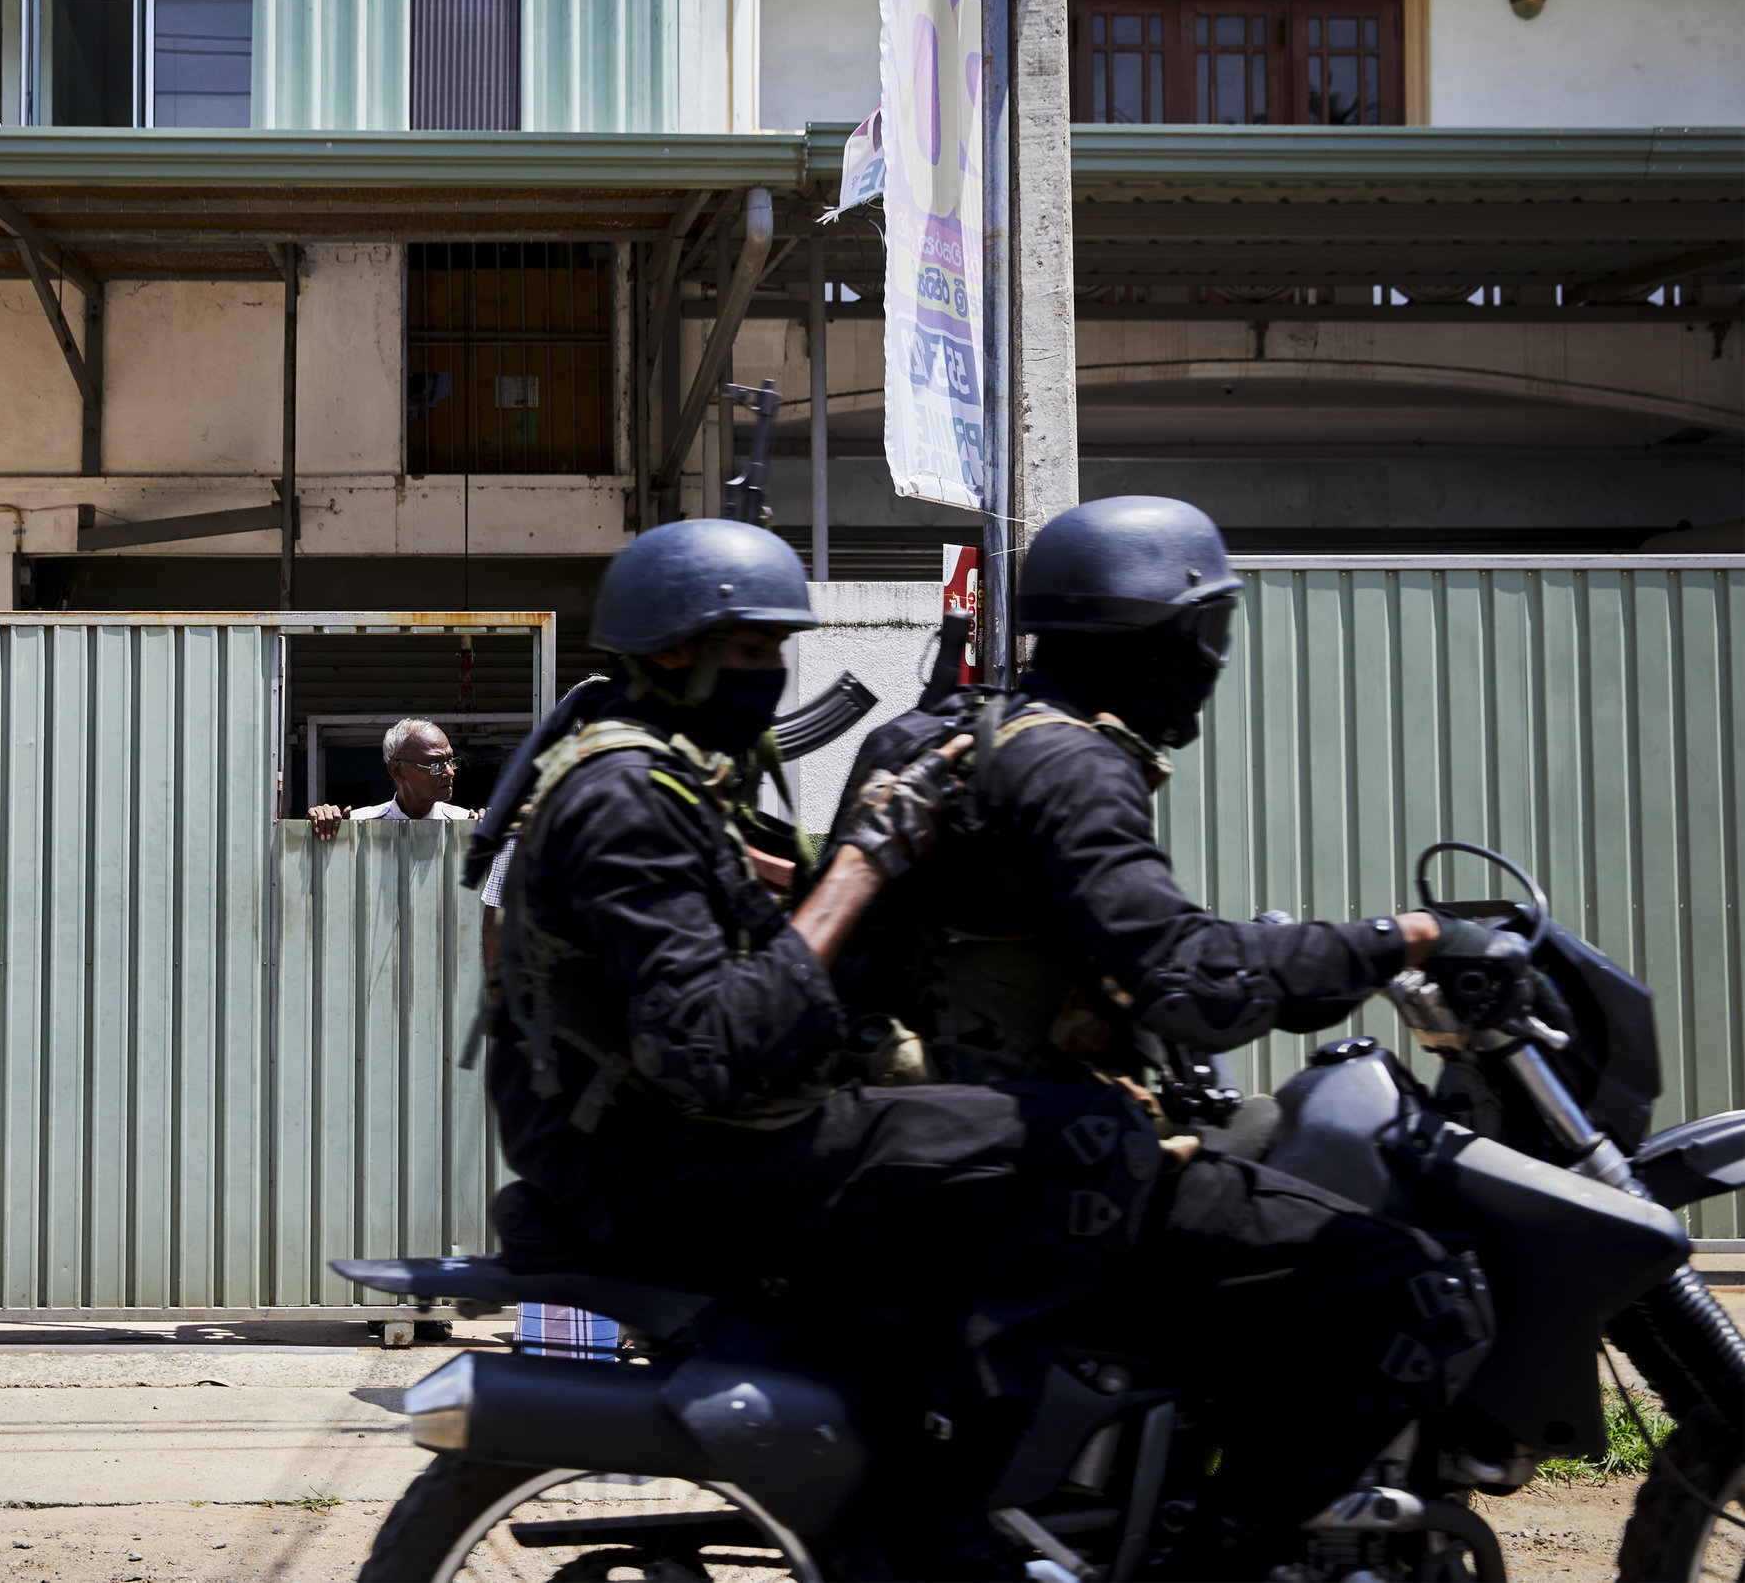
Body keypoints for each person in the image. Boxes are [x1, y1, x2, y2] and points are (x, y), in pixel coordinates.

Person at [475, 518, 1168, 1576]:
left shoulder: (666, 775)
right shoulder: (623, 801)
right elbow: (713, 1045)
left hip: (653, 1129)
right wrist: (860, 865)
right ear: (673, 653)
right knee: (1083, 1139)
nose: (773, 672)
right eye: (751, 650)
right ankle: (951, 1493)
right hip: (660, 1153)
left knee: (964, 1117)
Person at [828, 494, 1498, 1578]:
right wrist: (1398, 939)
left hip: (928, 1142)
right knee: (1413, 1292)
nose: (1212, 661)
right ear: (1151, 638)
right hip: (1044, 1159)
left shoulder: (943, 730)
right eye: (1206, 635)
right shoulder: (1072, 767)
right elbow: (1185, 979)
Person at [308, 718, 476, 840]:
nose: (450, 772)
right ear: (397, 771)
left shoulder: (468, 825)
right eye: (435, 764)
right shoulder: (358, 826)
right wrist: (318, 825)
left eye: (450, 762)